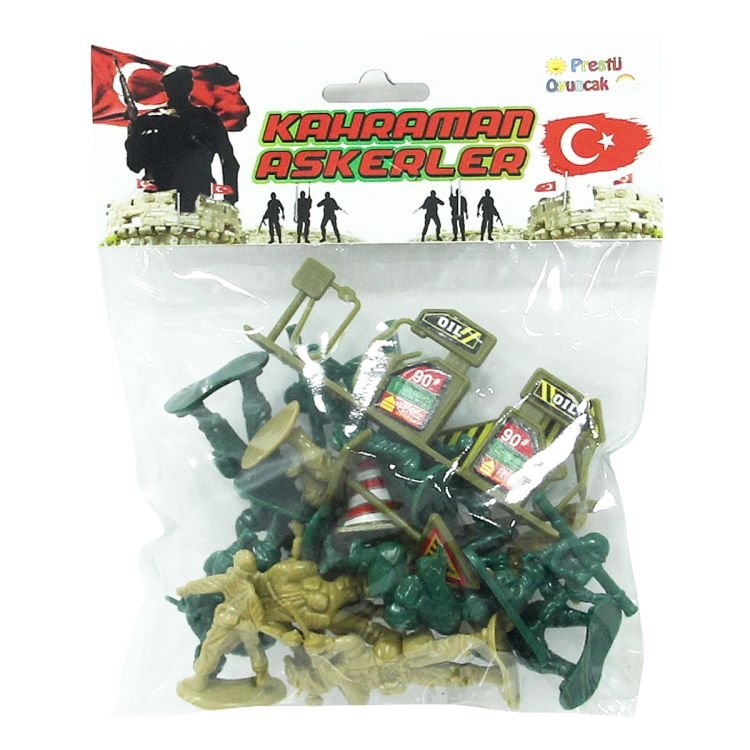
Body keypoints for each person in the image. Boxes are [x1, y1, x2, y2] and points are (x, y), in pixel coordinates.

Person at [125, 66, 239, 212]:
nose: (177, 88)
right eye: (173, 83)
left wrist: (230, 200)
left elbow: (228, 160)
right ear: (166, 87)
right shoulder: (148, 121)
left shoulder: (206, 119)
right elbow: (134, 164)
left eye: (181, 83)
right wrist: (133, 130)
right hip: (158, 203)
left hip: (195, 200)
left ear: (190, 85)